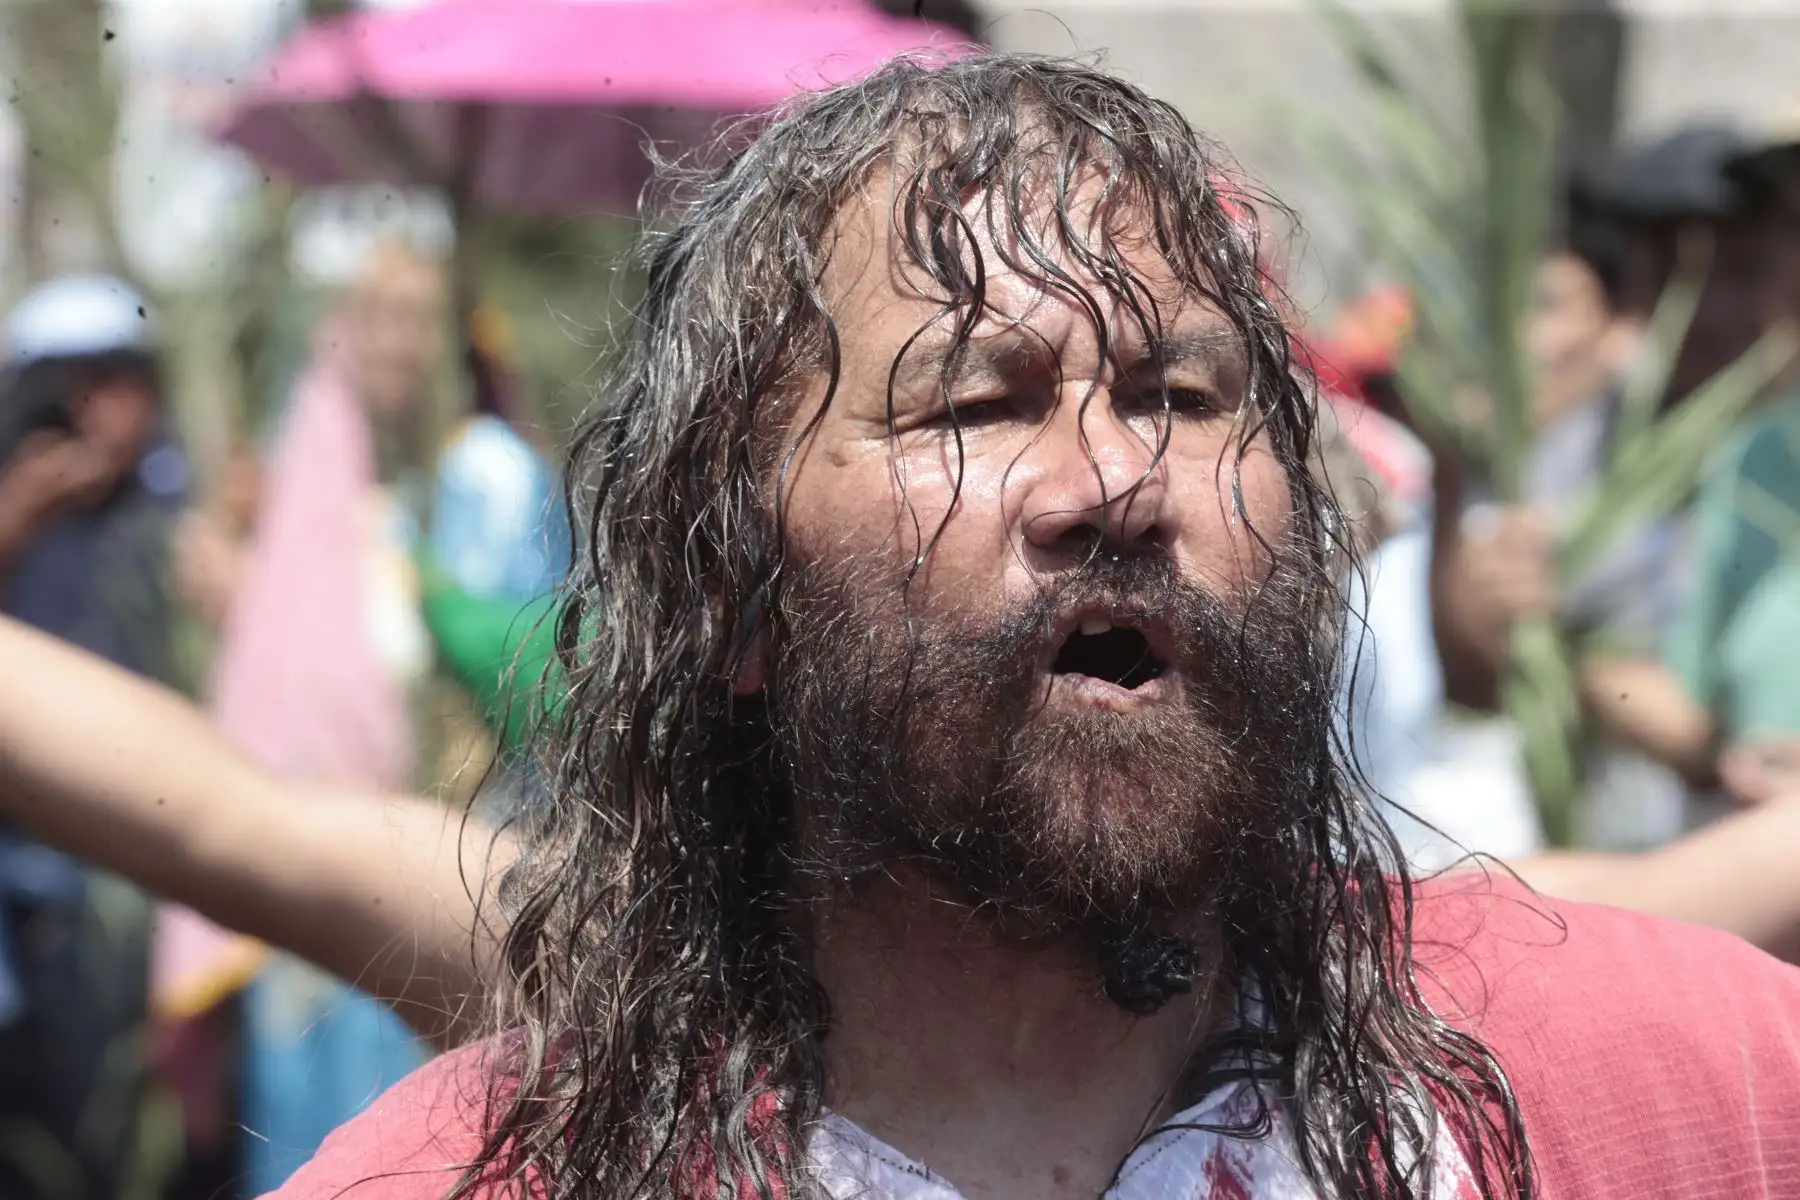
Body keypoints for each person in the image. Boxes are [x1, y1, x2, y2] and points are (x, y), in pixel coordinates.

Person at [0, 274, 187, 1199]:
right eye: (69, 384)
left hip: (132, 865)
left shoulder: (162, 508)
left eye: (120, 378)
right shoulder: (16, 503)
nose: (97, 408)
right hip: (27, 868)